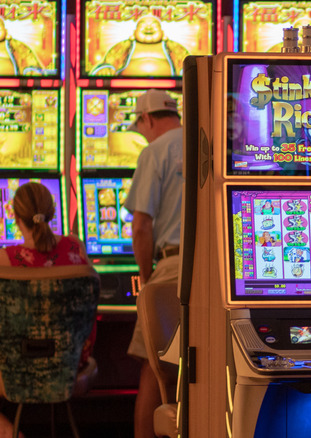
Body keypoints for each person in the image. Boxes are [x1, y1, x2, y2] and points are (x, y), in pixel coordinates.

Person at [0, 182, 92, 438]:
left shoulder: (5, 260)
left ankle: (10, 433)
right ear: (53, 211)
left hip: (15, 368)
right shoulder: (76, 248)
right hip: (69, 364)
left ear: (14, 217)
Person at [123, 89, 183, 438]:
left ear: (147, 119)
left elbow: (142, 226)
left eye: (140, 126)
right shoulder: (210, 138)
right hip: (217, 269)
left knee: (154, 369)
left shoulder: (156, 151)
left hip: (171, 267)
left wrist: (146, 280)